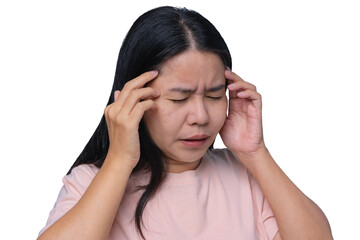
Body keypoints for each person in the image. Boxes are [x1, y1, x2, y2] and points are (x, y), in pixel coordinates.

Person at [38, 6, 333, 240]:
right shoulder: (92, 181)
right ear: (134, 99)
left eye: (215, 95)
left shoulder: (245, 174)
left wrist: (256, 153)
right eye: (179, 99)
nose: (201, 117)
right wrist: (119, 160)